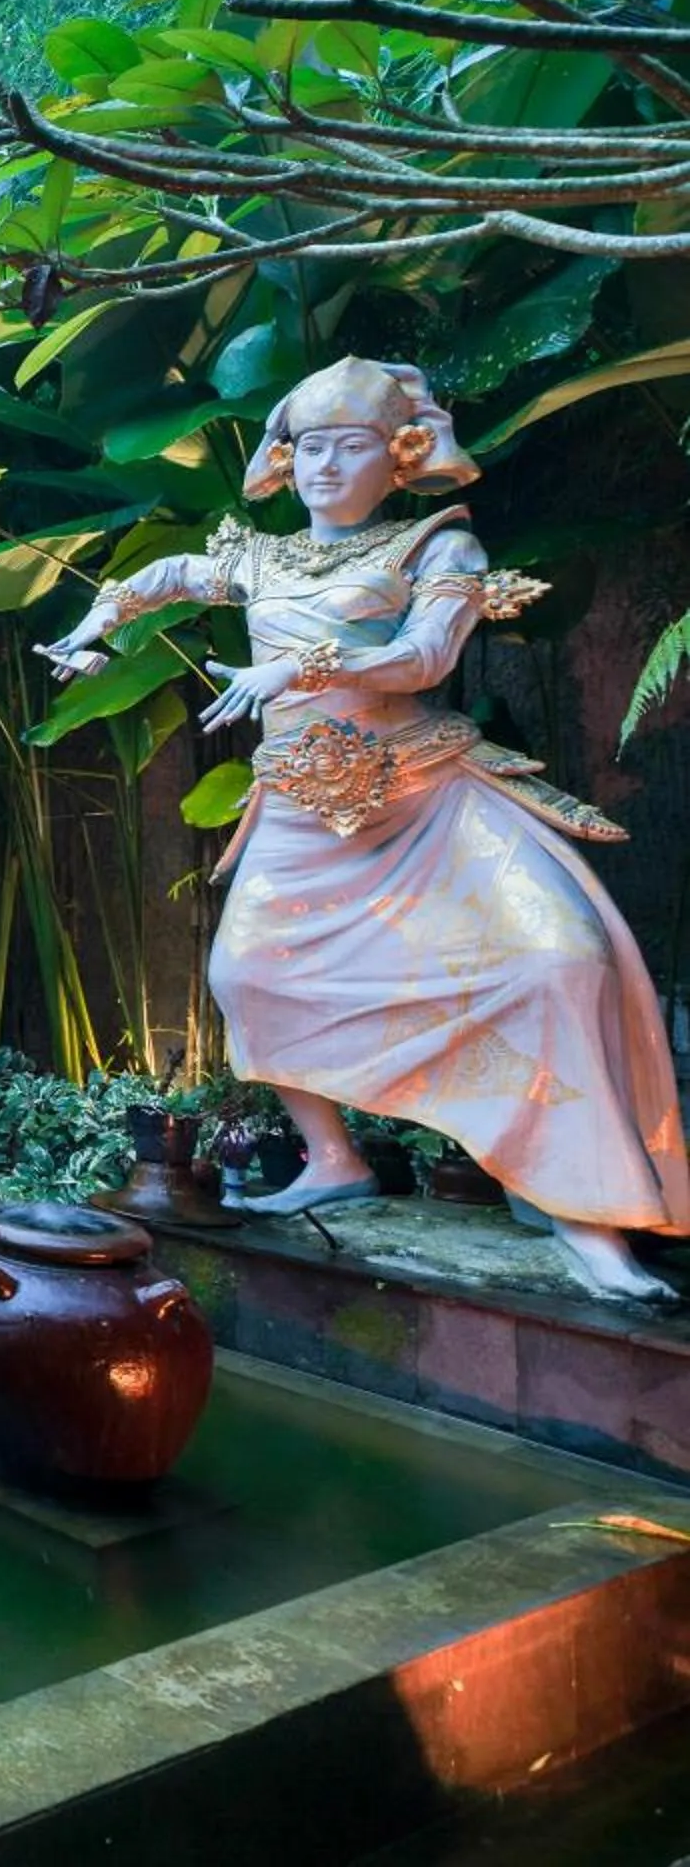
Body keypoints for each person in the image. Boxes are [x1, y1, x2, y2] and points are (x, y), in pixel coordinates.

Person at [38, 357, 688, 1304]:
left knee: (562, 962)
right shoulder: (262, 557)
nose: (325, 469)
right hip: (304, 806)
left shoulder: (437, 547)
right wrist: (96, 625)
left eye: (351, 449)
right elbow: (168, 577)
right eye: (308, 450)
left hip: (429, 795)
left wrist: (296, 669)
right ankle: (333, 1156)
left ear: (401, 456)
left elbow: (423, 658)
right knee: (246, 976)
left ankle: (588, 1216)